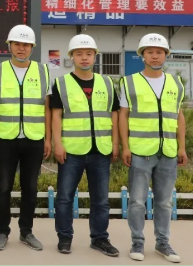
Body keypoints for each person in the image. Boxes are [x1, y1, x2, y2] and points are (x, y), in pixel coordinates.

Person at [51, 34, 120, 257]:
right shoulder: (61, 83)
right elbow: (56, 115)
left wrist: (115, 143)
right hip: (71, 150)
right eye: (79, 54)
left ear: (95, 56)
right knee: (64, 197)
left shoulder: (107, 83)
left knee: (101, 200)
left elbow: (114, 114)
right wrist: (57, 143)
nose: (84, 58)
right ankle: (64, 237)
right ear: (71, 57)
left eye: (89, 53)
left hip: (101, 149)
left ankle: (99, 238)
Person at [120, 33, 186, 263]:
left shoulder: (175, 83)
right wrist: (125, 146)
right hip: (140, 151)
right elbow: (123, 116)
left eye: (159, 52)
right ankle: (137, 242)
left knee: (164, 202)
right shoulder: (129, 82)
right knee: (137, 201)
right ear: (142, 55)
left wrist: (181, 147)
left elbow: (179, 116)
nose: (155, 56)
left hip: (168, 151)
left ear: (165, 55)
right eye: (150, 52)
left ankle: (162, 243)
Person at [0, 25, 51, 251]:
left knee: (30, 188)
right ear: (9, 46)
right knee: (3, 186)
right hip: (6, 138)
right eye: (17, 44)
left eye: (26, 45)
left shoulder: (43, 71)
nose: (21, 48)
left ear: (32, 47)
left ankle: (26, 232)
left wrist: (48, 139)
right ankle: (2, 231)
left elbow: (47, 108)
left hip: (34, 139)